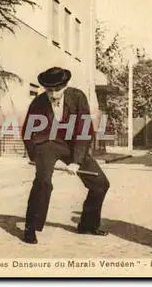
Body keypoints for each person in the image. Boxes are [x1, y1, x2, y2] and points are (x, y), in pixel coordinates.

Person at [21, 67, 110, 244]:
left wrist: (76, 162)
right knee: (43, 181)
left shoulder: (77, 97)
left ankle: (87, 225)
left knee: (100, 184)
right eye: (49, 90)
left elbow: (84, 130)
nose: (53, 95)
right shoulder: (38, 103)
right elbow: (28, 132)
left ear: (65, 86)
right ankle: (30, 228)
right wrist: (36, 157)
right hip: (48, 143)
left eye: (57, 90)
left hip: (73, 145)